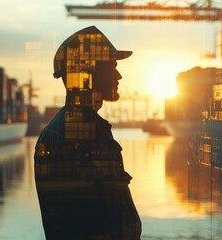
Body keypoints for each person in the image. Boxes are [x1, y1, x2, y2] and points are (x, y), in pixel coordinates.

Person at [34, 26, 141, 240]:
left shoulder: (64, 130)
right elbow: (99, 222)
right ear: (89, 72)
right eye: (112, 66)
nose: (119, 75)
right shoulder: (83, 136)